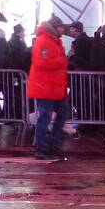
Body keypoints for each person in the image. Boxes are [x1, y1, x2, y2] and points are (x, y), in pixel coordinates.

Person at [29, 16, 70, 160]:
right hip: (46, 87)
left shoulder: (52, 41)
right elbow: (42, 62)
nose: (63, 30)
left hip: (54, 87)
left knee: (56, 116)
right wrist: (62, 60)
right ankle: (42, 147)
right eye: (61, 27)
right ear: (55, 27)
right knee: (45, 118)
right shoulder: (44, 41)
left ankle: (51, 145)